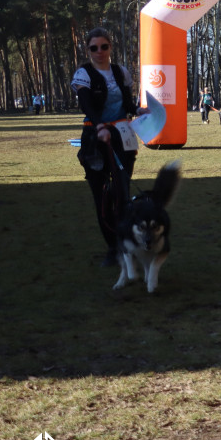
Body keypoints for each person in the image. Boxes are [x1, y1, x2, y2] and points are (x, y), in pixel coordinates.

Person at [71, 27, 147, 266]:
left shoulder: (120, 72)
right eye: (94, 47)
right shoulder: (83, 74)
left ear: (110, 47)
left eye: (104, 46)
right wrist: (100, 126)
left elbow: (126, 102)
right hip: (95, 137)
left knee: (122, 192)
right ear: (88, 50)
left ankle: (126, 246)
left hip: (122, 135)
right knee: (101, 195)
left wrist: (139, 111)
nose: (99, 51)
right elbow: (87, 106)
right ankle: (112, 249)